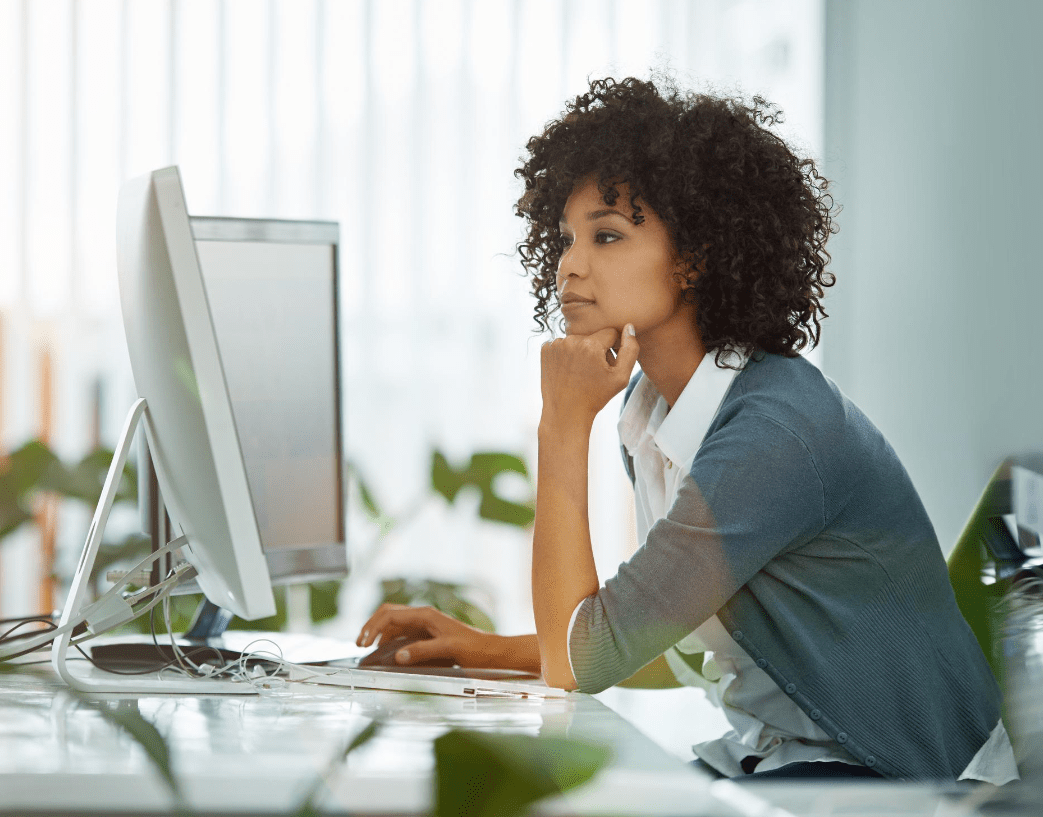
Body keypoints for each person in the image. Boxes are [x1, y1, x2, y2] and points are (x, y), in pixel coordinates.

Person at [356, 75, 1017, 783]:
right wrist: (482, 649)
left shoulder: (776, 434)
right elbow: (662, 638)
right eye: (566, 238)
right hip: (787, 762)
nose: (569, 265)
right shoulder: (655, 413)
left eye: (606, 235)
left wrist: (562, 424)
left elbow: (583, 664)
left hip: (908, 782)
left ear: (695, 255)